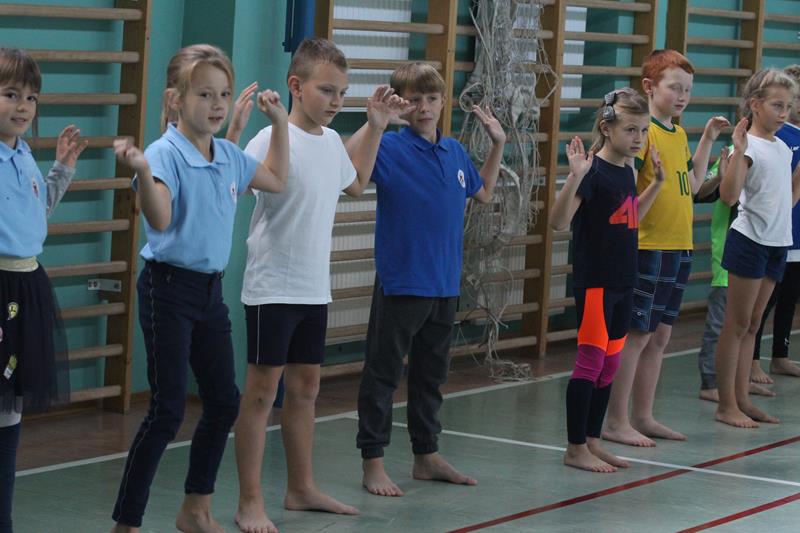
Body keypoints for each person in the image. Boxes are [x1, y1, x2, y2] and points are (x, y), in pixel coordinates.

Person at [232, 37, 410, 533]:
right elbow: (236, 184)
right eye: (327, 90)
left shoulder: (332, 142)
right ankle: (249, 500)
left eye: (342, 93)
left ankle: (301, 488)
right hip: (272, 287)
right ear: (296, 86)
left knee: (306, 389)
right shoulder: (269, 138)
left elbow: (355, 182)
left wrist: (375, 125)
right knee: (261, 394)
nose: (336, 101)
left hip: (314, 288)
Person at [109, 44, 289, 533]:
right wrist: (141, 171)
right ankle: (126, 523)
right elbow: (160, 217)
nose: (217, 104)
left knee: (224, 401)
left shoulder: (227, 154)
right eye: (205, 94)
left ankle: (195, 508)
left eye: (224, 94)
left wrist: (279, 125)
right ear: (175, 99)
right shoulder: (164, 154)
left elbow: (276, 178)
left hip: (209, 294)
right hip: (167, 291)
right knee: (167, 410)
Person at [345, 62, 506, 496]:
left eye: (432, 99)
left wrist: (497, 144)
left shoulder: (453, 151)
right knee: (382, 375)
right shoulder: (389, 147)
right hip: (402, 282)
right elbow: (350, 173)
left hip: (444, 285)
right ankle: (373, 461)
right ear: (401, 103)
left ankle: (426, 455)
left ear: (442, 102)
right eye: (414, 100)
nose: (424, 108)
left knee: (431, 376)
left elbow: (483, 192)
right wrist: (376, 123)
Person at [602, 50, 730, 446]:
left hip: (679, 247)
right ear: (649, 87)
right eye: (675, 87)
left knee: (658, 338)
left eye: (687, 90)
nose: (683, 96)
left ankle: (643, 415)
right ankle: (616, 419)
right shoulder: (644, 135)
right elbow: (625, 192)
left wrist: (708, 140)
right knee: (636, 336)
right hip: (649, 247)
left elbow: (692, 185)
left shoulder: (677, 133)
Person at [550, 89, 663, 472]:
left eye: (643, 130)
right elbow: (558, 222)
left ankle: (593, 440)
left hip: (622, 280)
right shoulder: (593, 171)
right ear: (606, 127)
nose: (638, 138)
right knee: (590, 362)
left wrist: (656, 184)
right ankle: (574, 446)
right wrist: (574, 177)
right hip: (597, 282)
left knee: (610, 365)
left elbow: (630, 217)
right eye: (630, 129)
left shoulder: (627, 170)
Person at [0, 47, 86, 533]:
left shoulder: (24, 155)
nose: (23, 106)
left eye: (31, 98)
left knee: (9, 410)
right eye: (11, 94)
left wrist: (61, 171)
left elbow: (35, 216)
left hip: (27, 287)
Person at [714, 68, 799, 428]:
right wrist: (738, 152)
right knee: (736, 325)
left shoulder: (781, 147)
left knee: (752, 326)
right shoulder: (748, 146)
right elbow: (729, 195)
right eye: (777, 105)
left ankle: (743, 399)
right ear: (755, 104)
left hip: (777, 243)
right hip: (750, 242)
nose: (784, 113)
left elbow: (786, 200)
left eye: (789, 106)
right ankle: (725, 405)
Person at [750, 65, 800, 383]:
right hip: (775, 232)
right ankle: (752, 360)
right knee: (763, 303)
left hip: (792, 233)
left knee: (790, 297)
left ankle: (780, 354)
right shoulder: (778, 137)